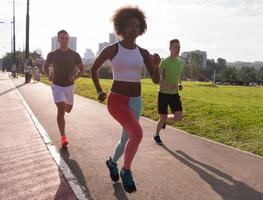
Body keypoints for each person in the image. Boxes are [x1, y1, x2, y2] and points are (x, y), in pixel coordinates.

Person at [91, 6, 160, 193]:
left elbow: (156, 80)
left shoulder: (144, 53)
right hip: (117, 101)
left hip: (135, 101)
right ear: (121, 27)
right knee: (136, 134)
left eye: (138, 26)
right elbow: (93, 69)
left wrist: (156, 66)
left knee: (126, 139)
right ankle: (126, 170)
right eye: (130, 25)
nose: (134, 29)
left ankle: (112, 162)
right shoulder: (112, 49)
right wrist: (99, 90)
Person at [43, 30, 84, 147]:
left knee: (68, 109)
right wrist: (48, 75)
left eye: (66, 38)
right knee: (61, 110)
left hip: (69, 87)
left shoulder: (75, 54)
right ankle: (63, 137)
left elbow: (82, 69)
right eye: (62, 38)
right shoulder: (52, 54)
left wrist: (75, 77)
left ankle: (66, 105)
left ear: (69, 39)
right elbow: (45, 66)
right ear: (58, 40)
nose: (64, 40)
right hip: (57, 86)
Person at [153, 39, 184, 145]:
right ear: (170, 49)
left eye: (179, 47)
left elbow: (178, 76)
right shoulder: (165, 62)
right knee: (162, 118)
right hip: (163, 94)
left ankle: (166, 119)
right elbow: (158, 78)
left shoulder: (180, 62)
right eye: (175, 47)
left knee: (178, 117)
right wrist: (166, 85)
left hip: (174, 94)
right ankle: (156, 134)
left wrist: (179, 84)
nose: (178, 49)